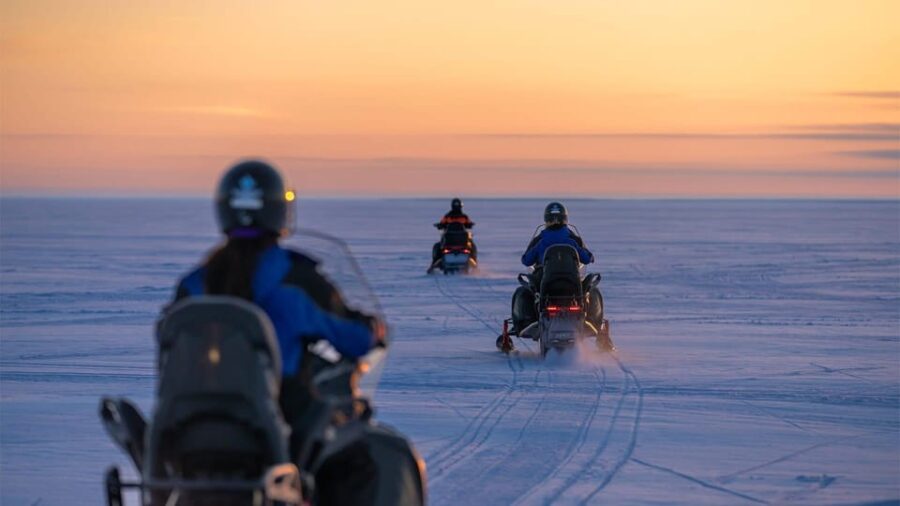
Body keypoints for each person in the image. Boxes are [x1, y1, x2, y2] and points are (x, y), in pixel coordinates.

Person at [171, 159, 384, 503]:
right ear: (279, 210)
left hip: (194, 419)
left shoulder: (194, 284)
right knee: (356, 462)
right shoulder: (294, 278)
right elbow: (354, 338)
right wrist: (371, 330)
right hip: (276, 416)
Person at [510, 202, 596, 333]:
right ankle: (593, 324)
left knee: (524, 290)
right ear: (565, 219)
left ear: (546, 219)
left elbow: (526, 260)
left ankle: (527, 322)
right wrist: (589, 256)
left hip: (545, 283)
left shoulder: (541, 240)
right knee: (591, 290)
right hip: (572, 283)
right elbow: (587, 258)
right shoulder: (572, 239)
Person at [429, 198, 477, 272]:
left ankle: (434, 264)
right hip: (455, 240)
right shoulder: (462, 216)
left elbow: (442, 223)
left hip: (453, 240)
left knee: (438, 246)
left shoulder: (449, 216)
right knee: (438, 246)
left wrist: (440, 225)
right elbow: (469, 223)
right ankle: (434, 264)